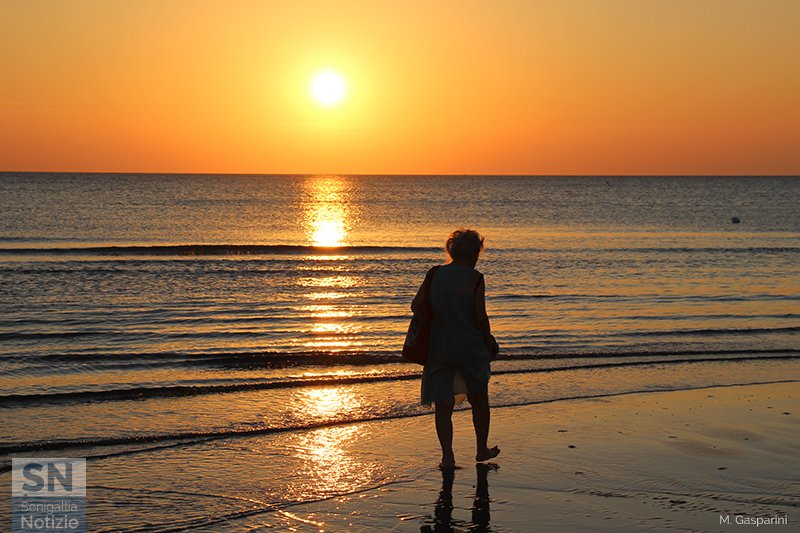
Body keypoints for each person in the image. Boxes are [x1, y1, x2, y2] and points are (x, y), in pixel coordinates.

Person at [412, 228, 500, 469]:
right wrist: (488, 342)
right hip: (469, 347)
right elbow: (480, 318)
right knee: (479, 398)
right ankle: (481, 449)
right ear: (474, 253)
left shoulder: (435, 274)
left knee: (443, 404)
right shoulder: (475, 279)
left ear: (452, 250)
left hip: (439, 347)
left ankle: (447, 456)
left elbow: (416, 305)